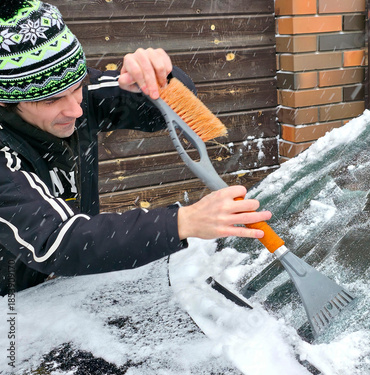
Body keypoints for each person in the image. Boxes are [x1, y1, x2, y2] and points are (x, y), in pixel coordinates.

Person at [0, 0, 271, 296]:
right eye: (51, 100)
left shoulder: (81, 93)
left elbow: (159, 113)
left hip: (68, 297)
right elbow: (56, 242)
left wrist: (161, 81)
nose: (76, 111)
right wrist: (182, 222)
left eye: (77, 86)